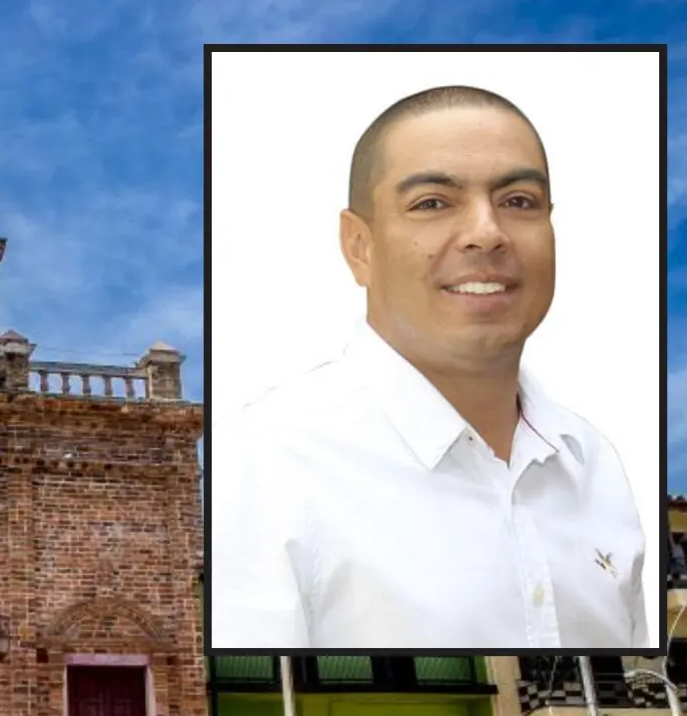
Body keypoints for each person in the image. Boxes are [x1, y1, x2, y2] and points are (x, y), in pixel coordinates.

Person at [211, 85, 649, 650]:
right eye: (433, 204)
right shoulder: (261, 465)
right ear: (359, 246)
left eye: (519, 201)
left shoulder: (595, 464)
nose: (487, 233)